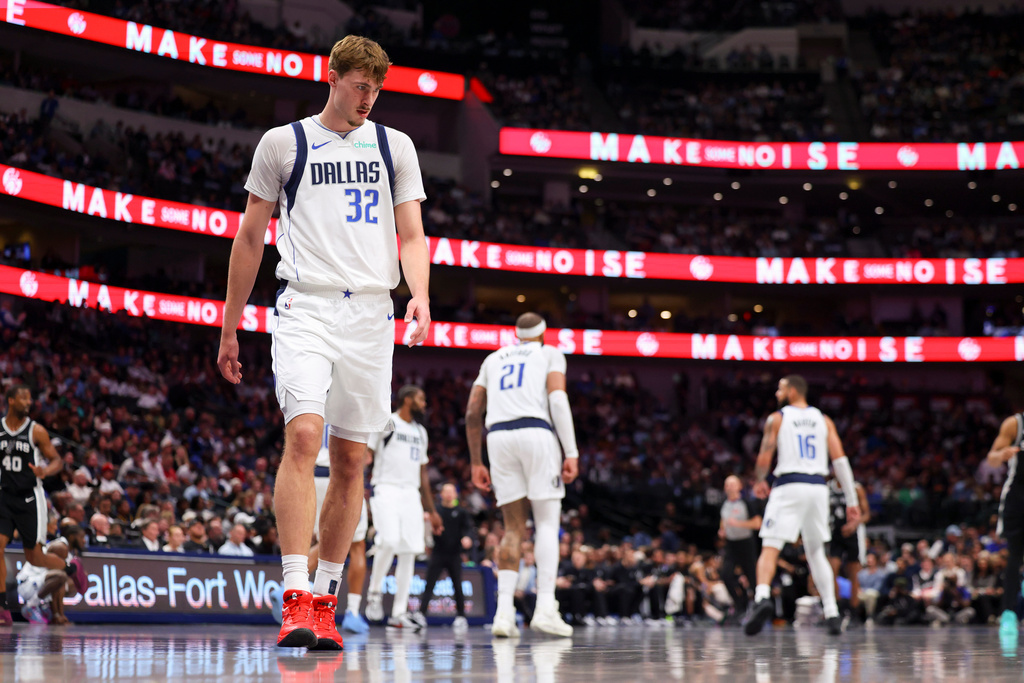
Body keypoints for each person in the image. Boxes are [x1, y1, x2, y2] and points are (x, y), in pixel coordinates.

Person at [216, 33, 430, 650]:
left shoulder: (396, 146)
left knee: (351, 461)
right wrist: (230, 326)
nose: (369, 98)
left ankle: (326, 601)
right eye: (360, 85)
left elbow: (411, 234)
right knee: (305, 435)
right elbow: (251, 236)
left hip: (371, 312)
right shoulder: (283, 143)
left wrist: (418, 292)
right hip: (305, 304)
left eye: (377, 89)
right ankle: (292, 596)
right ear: (331, 77)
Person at [466, 312, 579, 638]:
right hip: (535, 432)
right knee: (546, 523)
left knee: (512, 528)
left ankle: (503, 615)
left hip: (498, 438)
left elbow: (473, 411)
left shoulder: (493, 357)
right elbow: (557, 399)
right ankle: (545, 607)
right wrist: (570, 450)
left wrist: (476, 461)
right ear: (543, 334)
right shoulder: (549, 353)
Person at [744, 375, 860, 637]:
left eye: (781, 388)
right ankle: (831, 612)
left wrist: (760, 480)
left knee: (770, 545)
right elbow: (840, 461)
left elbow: (765, 455)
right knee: (817, 551)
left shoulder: (778, 417)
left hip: (789, 484)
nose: (777, 392)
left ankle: (762, 598)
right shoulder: (824, 419)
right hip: (818, 488)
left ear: (793, 390)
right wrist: (851, 500)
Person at [0, 385, 85, 625]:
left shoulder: (36, 430)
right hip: (4, 496)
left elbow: (57, 460)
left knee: (36, 557)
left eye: (29, 398)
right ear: (10, 400)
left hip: (29, 498)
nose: (28, 402)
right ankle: (2, 608)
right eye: (23, 398)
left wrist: (44, 470)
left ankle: (71, 568)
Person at [364, 386, 443, 631]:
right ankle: (374, 593)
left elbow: (423, 474)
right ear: (407, 400)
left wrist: (431, 510)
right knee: (388, 541)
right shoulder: (387, 421)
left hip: (411, 493)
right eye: (421, 399)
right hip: (386, 487)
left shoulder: (421, 432)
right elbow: (367, 456)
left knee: (409, 551)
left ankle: (399, 612)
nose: (425, 403)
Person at [310, 424, 371, 634]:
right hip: (341, 475)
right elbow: (366, 455)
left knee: (324, 541)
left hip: (313, 473)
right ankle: (353, 612)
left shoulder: (316, 393)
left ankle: (291, 586)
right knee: (356, 544)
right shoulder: (353, 395)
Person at [415, 482, 474, 632]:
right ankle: (421, 614)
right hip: (438, 552)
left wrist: (467, 538)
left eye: (451, 491)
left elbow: (468, 529)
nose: (448, 494)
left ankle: (461, 616)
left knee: (457, 585)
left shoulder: (461, 512)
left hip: (454, 554)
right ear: (441, 494)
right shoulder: (435, 511)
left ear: (455, 494)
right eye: (445, 491)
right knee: (429, 584)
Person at [985, 412, 1024, 637]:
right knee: (1014, 556)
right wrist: (1002, 454)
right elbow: (991, 458)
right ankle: (1008, 614)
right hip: (1018, 496)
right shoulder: (1014, 424)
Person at [16, 524, 86, 625]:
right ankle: (31, 606)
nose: (84, 540)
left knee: (70, 582)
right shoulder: (61, 547)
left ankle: (48, 609)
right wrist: (57, 614)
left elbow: (59, 585)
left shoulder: (69, 552)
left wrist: (60, 615)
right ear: (71, 537)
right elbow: (57, 577)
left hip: (40, 582)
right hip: (28, 584)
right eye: (81, 537)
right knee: (61, 576)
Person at [828, 476, 871, 621]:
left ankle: (853, 611)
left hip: (853, 533)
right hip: (835, 532)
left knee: (854, 573)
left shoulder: (856, 488)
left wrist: (853, 524)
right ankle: (837, 609)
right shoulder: (828, 488)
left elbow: (866, 514)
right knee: (831, 571)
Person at [719, 475, 762, 613]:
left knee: (752, 577)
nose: (729, 487)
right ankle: (739, 606)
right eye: (727, 484)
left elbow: (757, 523)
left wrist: (738, 524)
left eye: (732, 484)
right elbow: (723, 520)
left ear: (739, 486)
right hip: (731, 544)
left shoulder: (746, 503)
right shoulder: (724, 504)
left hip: (746, 544)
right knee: (725, 574)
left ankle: (758, 607)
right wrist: (722, 530)